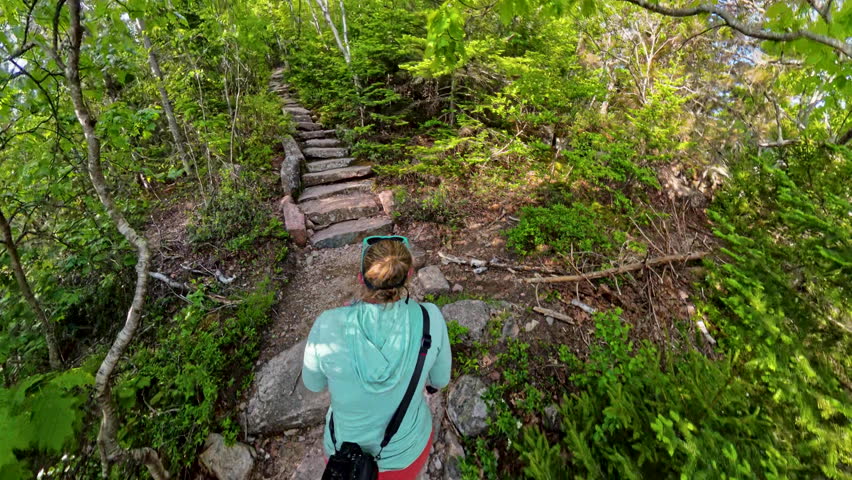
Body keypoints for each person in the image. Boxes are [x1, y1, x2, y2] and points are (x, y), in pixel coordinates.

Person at [302, 236, 452, 479]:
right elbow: (440, 380)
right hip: (406, 454)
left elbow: (314, 384)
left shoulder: (327, 323)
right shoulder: (430, 318)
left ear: (361, 278)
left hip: (343, 456)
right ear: (410, 275)